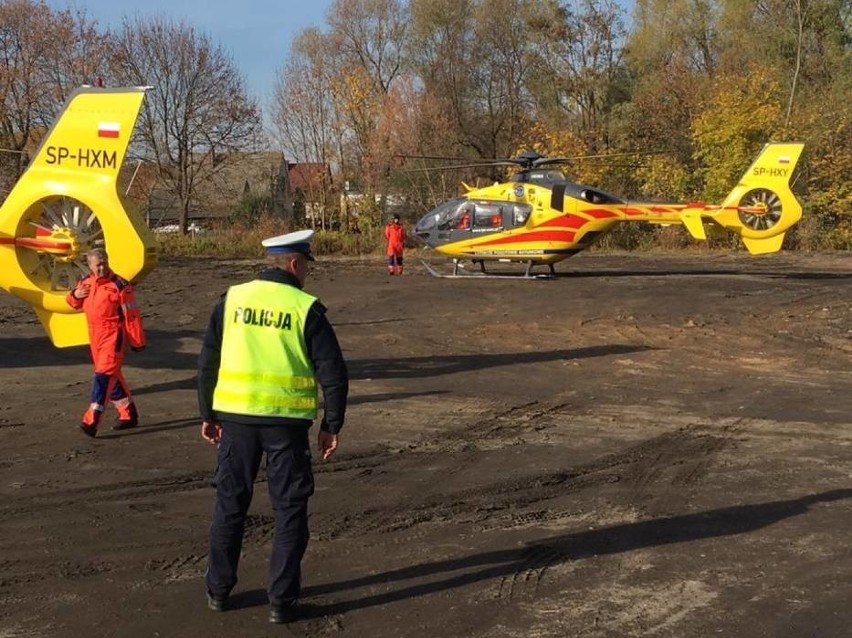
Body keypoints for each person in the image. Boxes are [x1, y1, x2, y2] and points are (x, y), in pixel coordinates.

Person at [197, 229, 349, 625]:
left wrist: (207, 413)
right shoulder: (306, 308)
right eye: (306, 267)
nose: (307, 276)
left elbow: (207, 362)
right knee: (290, 512)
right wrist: (331, 424)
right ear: (295, 264)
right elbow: (333, 373)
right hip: (287, 427)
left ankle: (218, 590)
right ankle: (281, 601)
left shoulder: (231, 299)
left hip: (236, 422)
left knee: (230, 506)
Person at [66, 247, 146, 437]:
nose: (102, 268)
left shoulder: (120, 285)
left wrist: (137, 341)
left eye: (104, 264)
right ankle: (128, 414)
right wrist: (74, 295)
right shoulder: (85, 282)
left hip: (113, 335)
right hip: (94, 335)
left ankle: (91, 420)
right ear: (90, 265)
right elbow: (73, 303)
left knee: (103, 376)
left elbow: (131, 315)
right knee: (112, 376)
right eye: (98, 265)